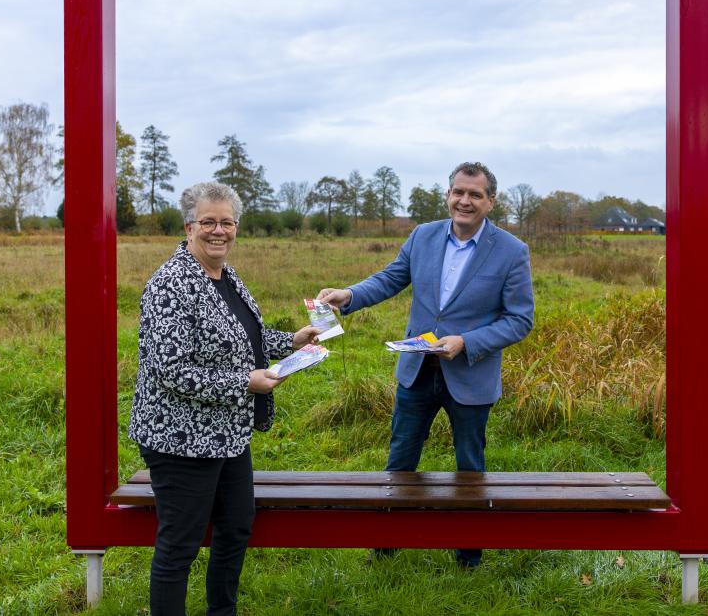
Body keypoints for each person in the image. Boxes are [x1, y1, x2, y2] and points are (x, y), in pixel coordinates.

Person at [317, 161, 534, 568]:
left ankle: (469, 554)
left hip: (470, 374)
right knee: (400, 460)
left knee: (470, 467)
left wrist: (467, 342)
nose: (464, 201)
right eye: (458, 192)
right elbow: (390, 278)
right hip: (416, 371)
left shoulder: (511, 251)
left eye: (474, 194)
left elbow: (520, 319)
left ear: (490, 201)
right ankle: (385, 544)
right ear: (448, 194)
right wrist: (349, 294)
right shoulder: (423, 236)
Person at [129, 181, 319, 616]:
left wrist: (292, 340)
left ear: (237, 226)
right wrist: (243, 384)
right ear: (189, 225)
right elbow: (172, 370)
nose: (219, 231)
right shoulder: (170, 284)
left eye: (227, 222)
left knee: (235, 528)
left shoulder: (224, 275)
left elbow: (244, 342)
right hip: (180, 438)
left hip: (229, 434)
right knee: (180, 546)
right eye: (208, 222)